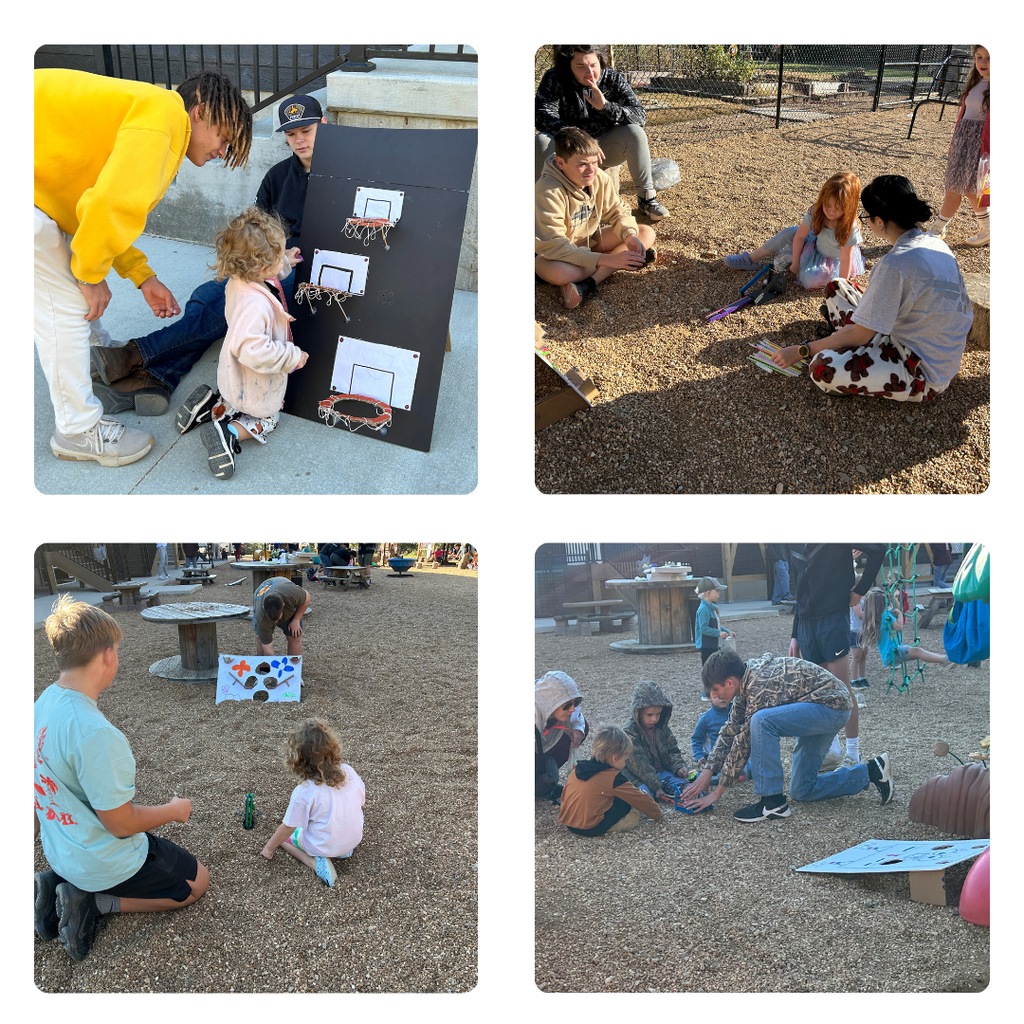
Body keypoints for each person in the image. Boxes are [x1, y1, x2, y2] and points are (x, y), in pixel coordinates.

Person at [35, 68, 252, 466]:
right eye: (225, 137)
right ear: (200, 111)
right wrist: (89, 275)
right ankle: (78, 431)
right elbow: (107, 207)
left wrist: (143, 276)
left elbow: (94, 204)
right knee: (63, 304)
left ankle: (91, 355)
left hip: (38, 192)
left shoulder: (153, 113)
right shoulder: (164, 120)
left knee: (67, 281)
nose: (223, 150)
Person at [92, 95, 327, 416]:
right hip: (271, 262)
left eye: (306, 131)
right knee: (210, 295)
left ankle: (137, 355)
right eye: (291, 134)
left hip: (311, 271)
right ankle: (155, 376)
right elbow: (255, 230)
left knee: (238, 303)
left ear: (323, 125)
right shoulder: (277, 176)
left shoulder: (347, 176)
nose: (298, 140)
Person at [34, 596, 208, 961]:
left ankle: (58, 881)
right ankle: (93, 902)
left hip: (60, 849)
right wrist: (174, 810)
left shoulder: (43, 704)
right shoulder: (94, 732)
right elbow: (120, 823)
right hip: (101, 861)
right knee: (197, 884)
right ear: (107, 654)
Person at [771, 176, 973, 402]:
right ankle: (845, 342)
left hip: (921, 370)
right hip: (930, 344)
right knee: (837, 286)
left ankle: (846, 348)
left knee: (821, 368)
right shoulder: (935, 242)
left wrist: (803, 350)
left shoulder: (894, 265)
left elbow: (860, 334)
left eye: (866, 217)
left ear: (879, 221)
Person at [682, 650, 894, 823]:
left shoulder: (758, 685)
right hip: (820, 706)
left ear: (729, 682)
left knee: (761, 721)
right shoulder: (744, 686)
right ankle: (872, 771)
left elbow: (743, 742)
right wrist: (707, 772)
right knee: (802, 790)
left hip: (831, 707)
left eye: (716, 690)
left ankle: (772, 802)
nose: (715, 696)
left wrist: (716, 793)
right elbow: (730, 731)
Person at [174, 207, 307, 479]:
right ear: (262, 266)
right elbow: (254, 351)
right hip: (254, 373)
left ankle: (209, 408)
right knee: (266, 417)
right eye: (280, 252)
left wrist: (285, 263)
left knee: (235, 398)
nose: (285, 254)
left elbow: (268, 280)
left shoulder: (239, 280)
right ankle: (228, 433)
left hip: (233, 369)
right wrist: (292, 356)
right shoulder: (256, 305)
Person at [535, 45, 670, 220]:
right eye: (581, 66)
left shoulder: (612, 78)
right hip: (569, 147)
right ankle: (541, 204)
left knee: (634, 132)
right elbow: (541, 115)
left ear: (600, 60)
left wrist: (605, 106)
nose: (590, 72)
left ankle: (646, 199)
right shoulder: (554, 78)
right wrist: (576, 136)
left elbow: (640, 116)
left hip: (605, 145)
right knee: (541, 141)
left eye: (593, 64)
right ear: (568, 66)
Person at [786, 544, 885, 769]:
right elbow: (799, 584)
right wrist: (795, 634)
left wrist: (859, 591)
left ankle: (853, 754)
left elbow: (879, 549)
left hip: (832, 618)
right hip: (806, 624)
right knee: (819, 691)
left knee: (841, 688)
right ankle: (832, 749)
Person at [535, 126, 656, 309]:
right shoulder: (547, 191)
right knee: (561, 274)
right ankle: (619, 261)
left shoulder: (598, 177)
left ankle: (589, 283)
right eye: (582, 164)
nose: (591, 170)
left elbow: (618, 211)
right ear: (560, 163)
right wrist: (607, 259)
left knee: (644, 232)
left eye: (594, 162)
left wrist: (629, 236)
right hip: (551, 256)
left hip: (587, 241)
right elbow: (555, 246)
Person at [260, 720, 365, 888]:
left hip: (323, 846)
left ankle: (314, 863)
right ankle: (343, 851)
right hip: (353, 840)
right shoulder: (348, 771)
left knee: (283, 838)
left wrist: (268, 848)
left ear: (298, 760)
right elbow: (361, 801)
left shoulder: (305, 791)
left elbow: (288, 827)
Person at [726, 172, 865, 289]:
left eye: (838, 208)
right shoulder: (817, 211)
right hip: (815, 243)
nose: (830, 212)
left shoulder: (850, 226)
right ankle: (751, 259)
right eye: (827, 205)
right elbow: (799, 237)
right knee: (789, 232)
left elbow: (845, 258)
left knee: (811, 280)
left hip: (834, 259)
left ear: (849, 207)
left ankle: (806, 265)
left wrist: (842, 286)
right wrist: (796, 263)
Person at [927, 46, 989, 246]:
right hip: (963, 140)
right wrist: (955, 141)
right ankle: (938, 229)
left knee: (972, 188)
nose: (983, 62)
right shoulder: (976, 82)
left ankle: (985, 229)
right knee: (953, 185)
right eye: (979, 57)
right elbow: (965, 115)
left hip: (979, 143)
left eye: (989, 58)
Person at [558, 726, 664, 836]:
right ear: (614, 758)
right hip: (591, 828)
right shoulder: (613, 778)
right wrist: (657, 814)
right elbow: (639, 798)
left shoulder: (577, 769)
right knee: (624, 801)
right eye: (625, 759)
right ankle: (615, 825)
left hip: (569, 824)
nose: (625, 763)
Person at [620, 681, 690, 802]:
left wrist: (678, 766)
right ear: (638, 713)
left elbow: (672, 750)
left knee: (688, 788)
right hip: (638, 777)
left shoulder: (662, 727)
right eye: (649, 715)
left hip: (662, 773)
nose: (654, 719)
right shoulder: (629, 732)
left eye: (658, 714)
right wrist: (656, 786)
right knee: (644, 797)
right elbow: (640, 765)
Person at [861, 587, 951, 669]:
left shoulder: (878, 616)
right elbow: (899, 626)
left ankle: (942, 660)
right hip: (893, 652)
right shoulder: (885, 616)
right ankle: (943, 660)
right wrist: (900, 614)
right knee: (917, 651)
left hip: (890, 654)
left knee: (917, 652)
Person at [535, 670, 588, 800]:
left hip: (543, 745)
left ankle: (545, 780)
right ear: (550, 703)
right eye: (567, 705)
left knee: (583, 727)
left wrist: (577, 728)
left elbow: (578, 719)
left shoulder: (568, 707)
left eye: (575, 703)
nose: (572, 708)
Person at [691, 693, 752, 786]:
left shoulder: (738, 712)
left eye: (725, 693)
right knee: (719, 779)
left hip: (737, 755)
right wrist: (699, 756)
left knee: (755, 770)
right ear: (708, 697)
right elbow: (696, 739)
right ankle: (697, 776)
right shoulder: (705, 718)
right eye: (717, 694)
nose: (722, 697)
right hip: (717, 760)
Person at [253, 576, 311, 657]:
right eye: (273, 620)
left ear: (283, 605)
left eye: (277, 619)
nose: (276, 622)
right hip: (263, 596)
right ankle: (264, 669)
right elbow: (268, 649)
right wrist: (275, 667)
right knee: (260, 639)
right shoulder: (261, 616)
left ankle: (293, 667)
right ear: (264, 608)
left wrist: (296, 620)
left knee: (295, 636)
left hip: (284, 588)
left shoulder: (291, 593)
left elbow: (307, 598)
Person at [694, 577, 734, 667]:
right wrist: (718, 633)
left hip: (713, 644)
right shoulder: (704, 609)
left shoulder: (711, 607)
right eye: (717, 591)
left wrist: (727, 631)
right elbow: (704, 628)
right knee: (709, 669)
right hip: (707, 646)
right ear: (708, 593)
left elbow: (717, 625)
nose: (719, 593)